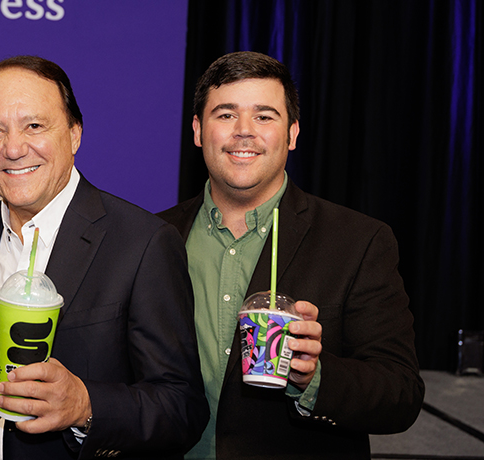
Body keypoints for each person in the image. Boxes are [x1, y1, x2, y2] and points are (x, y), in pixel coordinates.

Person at [0, 55, 209, 460]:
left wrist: (86, 406)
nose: (13, 148)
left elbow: (182, 408)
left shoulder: (143, 244)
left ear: (74, 134)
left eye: (34, 126)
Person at [158, 51, 424, 459]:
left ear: (292, 134)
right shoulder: (153, 237)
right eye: (225, 115)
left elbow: (400, 393)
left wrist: (314, 376)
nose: (244, 131)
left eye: (264, 116)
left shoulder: (359, 241)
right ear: (198, 130)